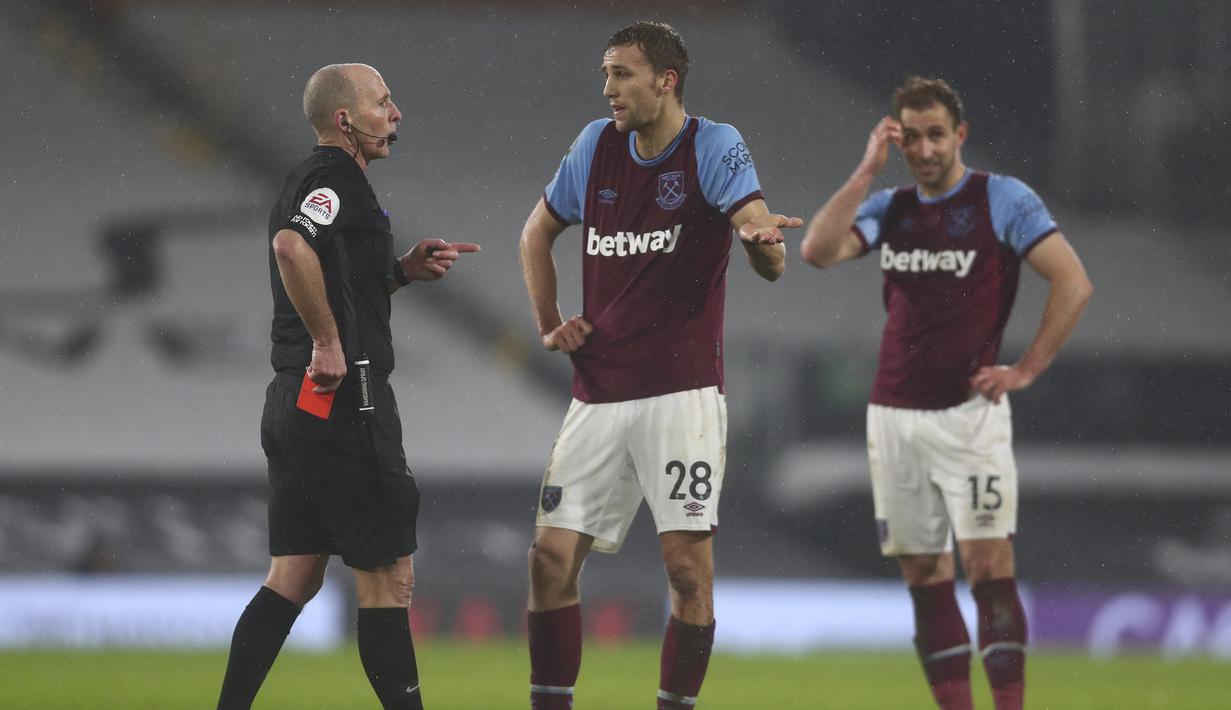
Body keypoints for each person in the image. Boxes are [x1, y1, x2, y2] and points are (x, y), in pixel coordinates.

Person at [518, 21, 802, 710]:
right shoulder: (594, 145)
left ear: (664, 80)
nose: (608, 88)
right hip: (598, 392)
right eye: (606, 74)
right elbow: (536, 233)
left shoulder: (713, 144)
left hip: (681, 395)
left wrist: (762, 242)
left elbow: (765, 249)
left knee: (684, 572)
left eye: (621, 74)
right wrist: (549, 322)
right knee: (549, 560)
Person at [800, 77, 1093, 710]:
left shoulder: (1001, 199)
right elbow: (817, 250)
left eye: (937, 134)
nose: (926, 149)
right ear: (898, 139)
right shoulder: (891, 206)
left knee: (989, 568)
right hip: (894, 418)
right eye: (912, 137)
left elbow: (1072, 283)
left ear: (960, 135)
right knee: (925, 578)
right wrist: (864, 171)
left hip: (971, 418)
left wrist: (1027, 368)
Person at [216, 63, 479, 710]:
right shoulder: (332, 179)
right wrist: (329, 344)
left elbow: (332, 276)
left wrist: (399, 274)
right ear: (345, 119)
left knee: (294, 576)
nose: (396, 114)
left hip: (294, 401)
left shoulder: (325, 182)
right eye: (383, 103)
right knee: (388, 580)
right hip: (345, 400)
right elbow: (290, 246)